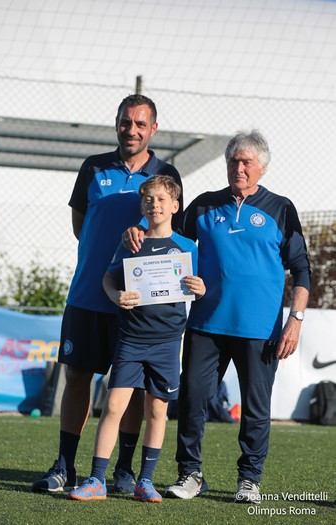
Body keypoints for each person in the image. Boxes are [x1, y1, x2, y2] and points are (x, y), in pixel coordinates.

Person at [125, 130, 311, 504]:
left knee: (256, 407)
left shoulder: (281, 208)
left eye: (246, 162)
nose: (238, 168)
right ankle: (190, 474)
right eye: (232, 161)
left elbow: (302, 269)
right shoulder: (204, 205)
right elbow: (167, 239)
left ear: (261, 167)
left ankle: (249, 479)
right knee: (193, 400)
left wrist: (296, 319)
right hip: (205, 324)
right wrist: (139, 231)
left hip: (261, 330)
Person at [31, 95, 183, 494]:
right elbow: (81, 226)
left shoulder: (166, 173)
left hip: (136, 303)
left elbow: (167, 232)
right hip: (87, 293)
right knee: (77, 374)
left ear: (153, 129)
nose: (131, 130)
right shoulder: (93, 167)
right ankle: (65, 467)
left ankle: (124, 470)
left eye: (139, 124)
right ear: (116, 123)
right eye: (125, 122)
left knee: (129, 387)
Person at [68, 175, 205, 502]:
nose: (154, 205)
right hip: (130, 338)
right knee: (113, 406)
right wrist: (116, 297)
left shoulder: (187, 248)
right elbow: (108, 278)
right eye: (148, 199)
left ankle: (145, 481)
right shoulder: (132, 241)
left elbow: (197, 287)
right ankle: (97, 480)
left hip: (168, 342)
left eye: (161, 199)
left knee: (157, 411)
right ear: (141, 205)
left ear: (174, 206)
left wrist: (200, 290)